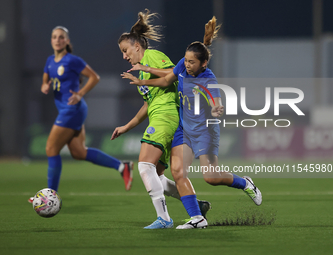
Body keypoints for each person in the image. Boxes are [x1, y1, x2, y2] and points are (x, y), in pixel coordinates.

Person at [121, 16, 262, 229]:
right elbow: (168, 78)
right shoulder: (184, 65)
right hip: (183, 129)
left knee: (211, 177)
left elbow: (215, 98)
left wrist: (216, 106)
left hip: (204, 130)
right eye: (185, 61)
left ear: (203, 64)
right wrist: (144, 78)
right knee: (177, 172)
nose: (186, 65)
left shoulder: (209, 78)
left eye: (191, 62)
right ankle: (197, 218)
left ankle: (245, 183)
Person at [112, 10, 211, 229]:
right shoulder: (142, 72)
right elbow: (148, 105)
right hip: (160, 117)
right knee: (157, 174)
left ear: (137, 46)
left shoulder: (151, 57)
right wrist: (126, 127)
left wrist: (146, 71)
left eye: (125, 50)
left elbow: (171, 74)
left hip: (167, 116)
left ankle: (164, 218)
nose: (124, 56)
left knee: (145, 166)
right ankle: (196, 205)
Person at [29, 26, 133, 203]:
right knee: (78, 152)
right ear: (51, 40)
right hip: (66, 110)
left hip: (73, 110)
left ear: (67, 41)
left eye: (61, 37)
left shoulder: (72, 60)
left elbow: (94, 77)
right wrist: (44, 86)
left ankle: (49, 196)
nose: (57, 40)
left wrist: (80, 93)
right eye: (54, 37)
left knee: (50, 148)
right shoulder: (50, 61)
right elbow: (45, 80)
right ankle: (122, 166)